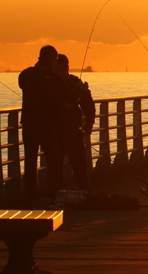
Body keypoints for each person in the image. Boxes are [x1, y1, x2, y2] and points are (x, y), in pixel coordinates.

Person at [18, 45, 62, 203]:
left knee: (30, 160)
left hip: (29, 123)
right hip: (46, 123)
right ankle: (51, 194)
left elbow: (22, 84)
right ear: (52, 59)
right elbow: (62, 96)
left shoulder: (26, 74)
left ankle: (31, 195)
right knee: (53, 161)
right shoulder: (54, 77)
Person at [50, 54, 95, 196]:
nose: (60, 73)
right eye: (57, 70)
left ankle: (84, 190)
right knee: (55, 165)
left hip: (73, 130)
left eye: (62, 70)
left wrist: (89, 123)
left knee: (79, 163)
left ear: (67, 68)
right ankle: (55, 192)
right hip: (54, 131)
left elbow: (88, 104)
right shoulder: (50, 83)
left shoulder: (75, 82)